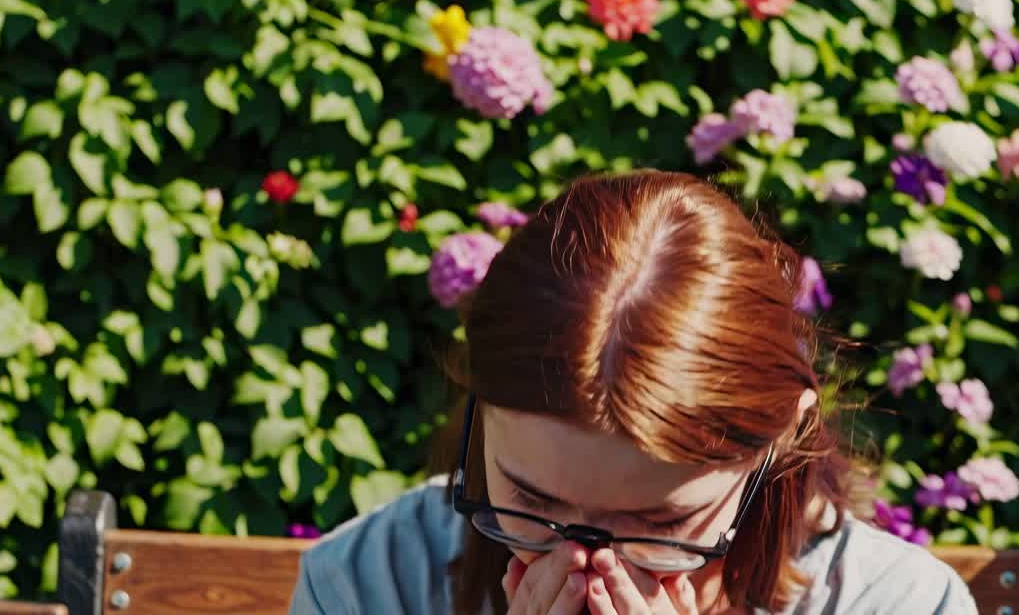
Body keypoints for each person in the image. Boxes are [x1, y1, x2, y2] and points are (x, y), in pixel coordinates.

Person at [288, 170, 977, 614]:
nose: (588, 568)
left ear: (781, 441)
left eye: (663, 524)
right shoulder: (367, 584)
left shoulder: (896, 603)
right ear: (480, 416)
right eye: (532, 500)